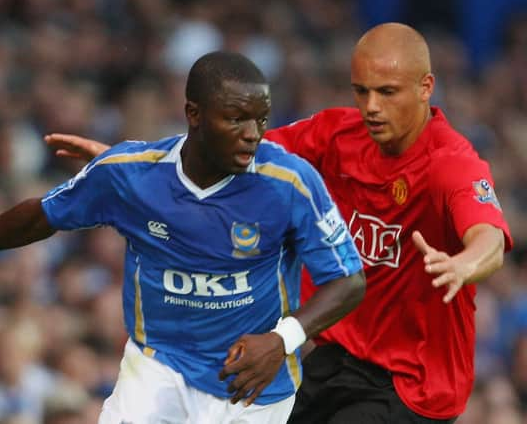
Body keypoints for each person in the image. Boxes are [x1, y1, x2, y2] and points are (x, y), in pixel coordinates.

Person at [45, 23, 513, 423]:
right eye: (361, 90)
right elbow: (229, 147)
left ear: (426, 87)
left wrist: (464, 266)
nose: (371, 106)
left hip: (415, 383)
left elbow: (488, 236)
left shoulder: (451, 164)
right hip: (339, 356)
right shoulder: (338, 134)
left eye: (386, 93)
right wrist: (137, 163)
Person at [0, 51, 366, 424]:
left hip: (253, 384)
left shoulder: (290, 182)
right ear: (194, 114)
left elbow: (348, 281)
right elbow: (37, 218)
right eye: (236, 119)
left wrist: (281, 340)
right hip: (158, 366)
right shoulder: (130, 177)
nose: (253, 135)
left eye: (261, 120)